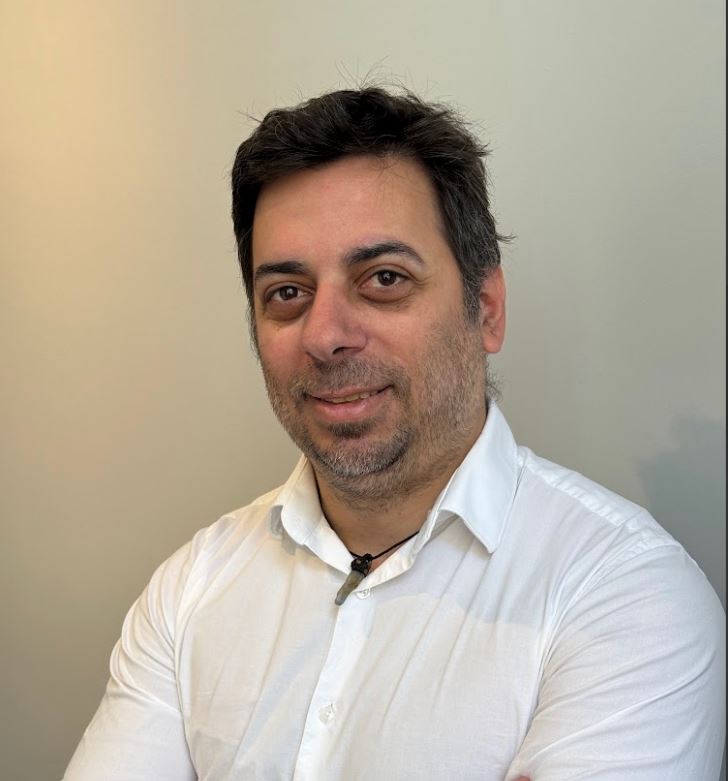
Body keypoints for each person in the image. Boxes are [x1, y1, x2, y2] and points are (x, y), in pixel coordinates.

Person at [64, 87, 725, 781]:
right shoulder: (190, 589)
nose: (325, 335)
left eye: (384, 278)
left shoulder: (625, 594)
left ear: (486, 309)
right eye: (287, 293)